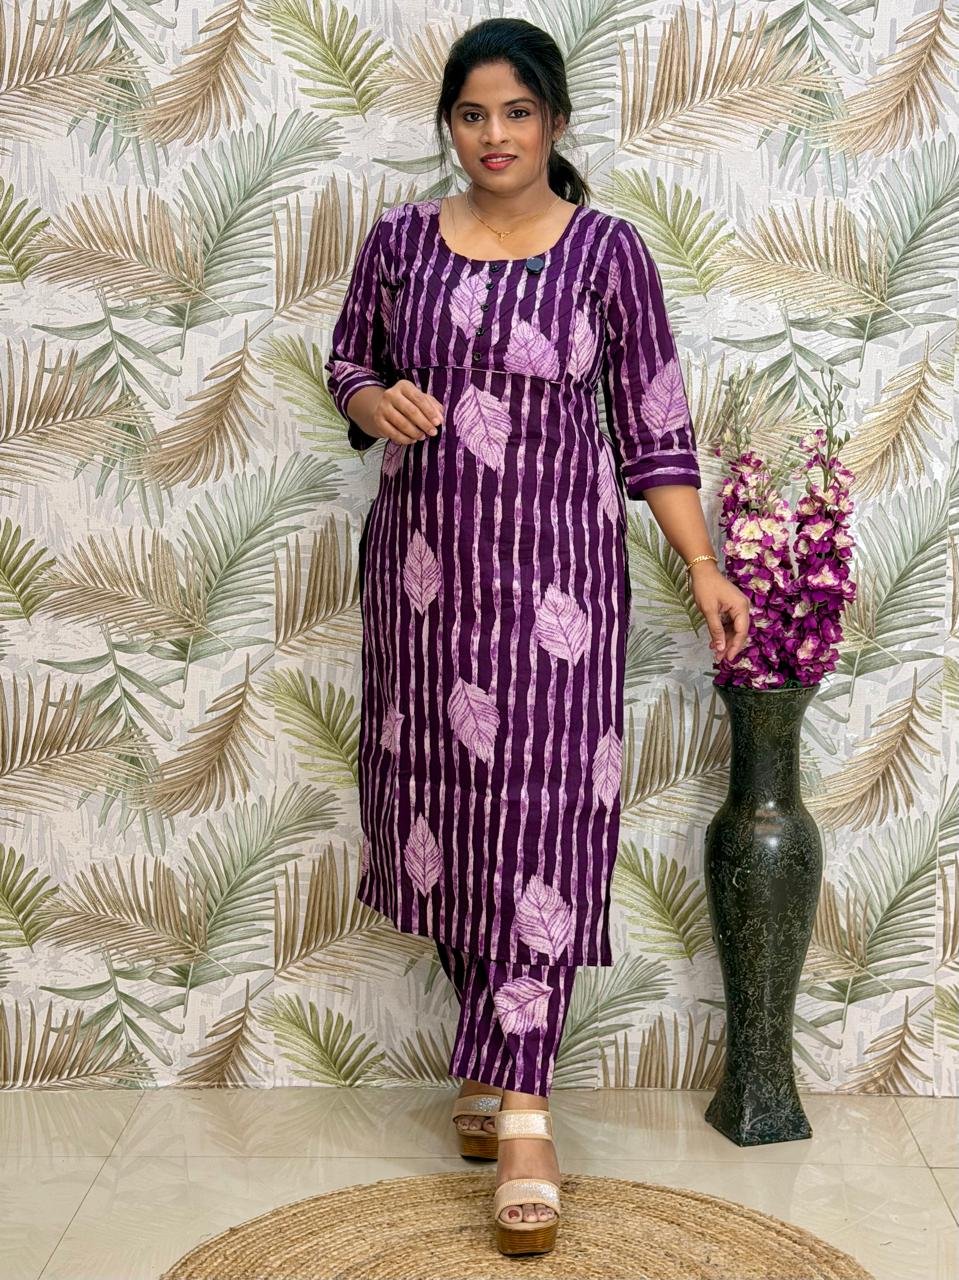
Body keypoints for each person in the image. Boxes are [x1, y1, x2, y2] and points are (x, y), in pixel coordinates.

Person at [324, 16, 750, 1258]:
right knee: (452, 816)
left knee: (541, 822)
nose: (493, 136)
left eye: (516, 112)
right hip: (424, 589)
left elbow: (654, 426)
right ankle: (489, 1056)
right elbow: (347, 361)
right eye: (471, 114)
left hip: (558, 595)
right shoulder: (399, 242)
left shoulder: (606, 253)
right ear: (448, 125)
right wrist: (374, 399)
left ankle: (523, 1115)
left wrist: (703, 566)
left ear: (553, 121)